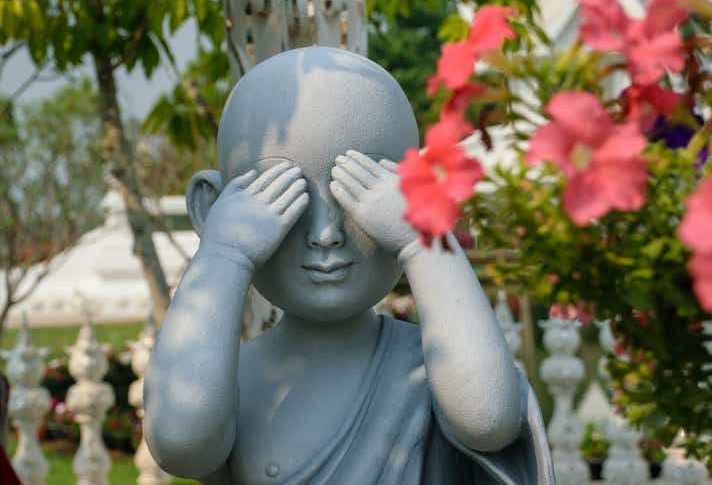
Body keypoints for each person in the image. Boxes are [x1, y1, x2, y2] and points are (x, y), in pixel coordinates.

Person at [144, 46, 554, 485]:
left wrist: (422, 242)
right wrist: (225, 253)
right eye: (284, 197)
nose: (325, 234)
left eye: (360, 193)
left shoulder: (432, 368)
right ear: (213, 208)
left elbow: (488, 418)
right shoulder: (233, 380)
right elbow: (179, 441)